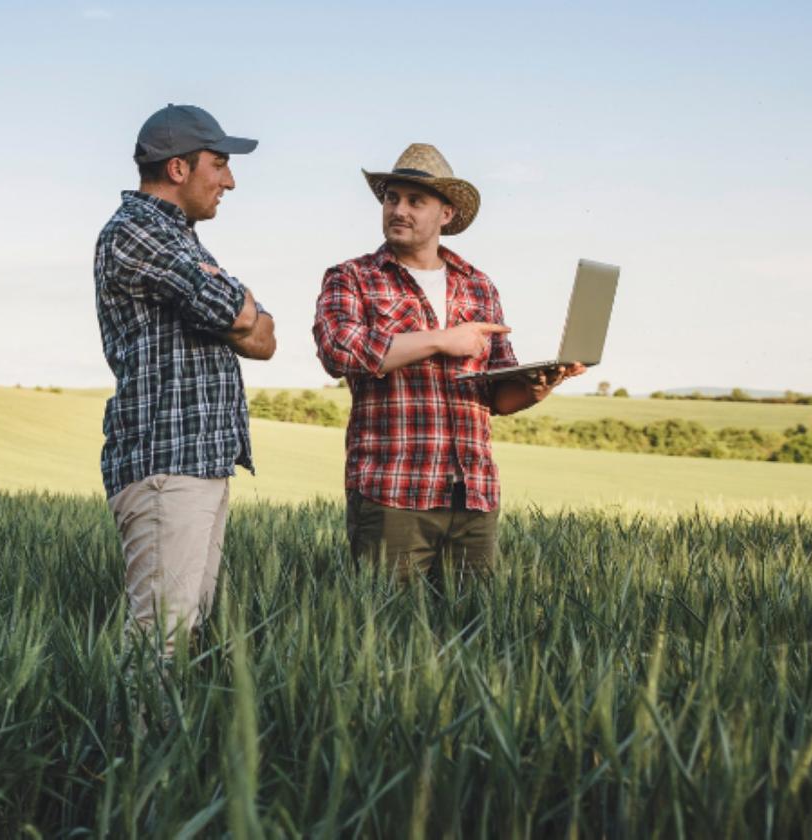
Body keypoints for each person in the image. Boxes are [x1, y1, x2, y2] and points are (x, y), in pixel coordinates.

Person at [312, 143, 583, 582]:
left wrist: (538, 386)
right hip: (392, 492)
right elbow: (338, 350)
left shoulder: (478, 286)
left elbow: (497, 397)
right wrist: (442, 341)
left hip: (473, 497)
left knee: (473, 637)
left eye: (415, 201)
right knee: (387, 640)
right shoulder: (352, 277)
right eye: (391, 198)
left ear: (447, 213)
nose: (399, 210)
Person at [94, 104, 275, 654]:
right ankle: (137, 741)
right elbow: (243, 316)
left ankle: (173, 740)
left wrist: (233, 303)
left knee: (185, 636)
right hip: (165, 465)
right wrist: (233, 301)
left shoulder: (183, 240)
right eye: (218, 164)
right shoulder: (138, 234)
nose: (230, 180)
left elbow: (264, 339)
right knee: (160, 643)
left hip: (198, 463)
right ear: (178, 169)